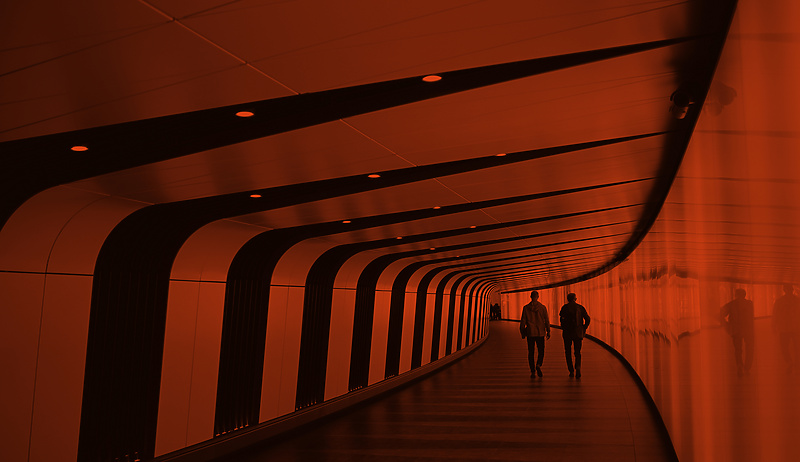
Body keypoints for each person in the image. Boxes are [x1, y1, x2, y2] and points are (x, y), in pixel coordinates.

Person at [720, 288, 755, 376]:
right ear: (745, 295)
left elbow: (720, 314)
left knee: (738, 350)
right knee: (749, 348)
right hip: (748, 330)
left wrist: (727, 325)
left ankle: (739, 365)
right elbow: (751, 317)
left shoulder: (731, 304)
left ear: (736, 295)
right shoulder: (749, 304)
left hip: (736, 330)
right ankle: (747, 366)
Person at [520, 290, 550, 378]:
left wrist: (522, 332)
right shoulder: (543, 308)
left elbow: (523, 321)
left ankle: (532, 371)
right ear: (538, 297)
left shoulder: (526, 308)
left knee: (531, 352)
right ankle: (538, 364)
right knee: (541, 351)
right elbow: (546, 320)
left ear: (530, 297)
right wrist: (548, 331)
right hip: (540, 333)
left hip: (530, 333)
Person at [559, 293, 590, 378]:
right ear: (575, 299)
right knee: (577, 352)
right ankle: (578, 367)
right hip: (577, 332)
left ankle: (571, 371)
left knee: (567, 352)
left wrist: (563, 327)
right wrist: (584, 327)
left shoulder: (564, 308)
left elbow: (561, 318)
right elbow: (587, 319)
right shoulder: (580, 308)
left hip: (567, 333)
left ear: (568, 299)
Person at [773, 284, 800, 373]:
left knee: (784, 347)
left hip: (784, 328)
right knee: (796, 346)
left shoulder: (779, 301)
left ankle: (789, 361)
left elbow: (775, 314)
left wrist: (774, 326)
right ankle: (796, 363)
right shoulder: (797, 301)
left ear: (784, 290)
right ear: (792, 290)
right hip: (796, 327)